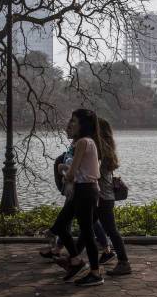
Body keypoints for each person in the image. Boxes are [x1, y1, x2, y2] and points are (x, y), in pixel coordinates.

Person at [40, 118, 111, 263]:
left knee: (87, 226)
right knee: (82, 223)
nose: (68, 129)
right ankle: (72, 255)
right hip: (80, 188)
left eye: (73, 125)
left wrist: (62, 168)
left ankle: (91, 257)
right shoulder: (83, 143)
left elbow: (77, 170)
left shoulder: (87, 143)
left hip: (84, 188)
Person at [51, 109, 104, 286]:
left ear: (83, 124)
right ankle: (75, 261)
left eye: (74, 121)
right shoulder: (89, 142)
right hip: (85, 190)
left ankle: (94, 273)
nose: (70, 124)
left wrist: (61, 169)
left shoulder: (83, 142)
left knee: (87, 232)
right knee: (60, 225)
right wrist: (67, 170)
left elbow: (72, 174)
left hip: (85, 190)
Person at [75, 118, 131, 275]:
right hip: (104, 195)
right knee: (87, 227)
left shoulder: (99, 149)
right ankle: (73, 257)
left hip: (102, 197)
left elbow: (95, 172)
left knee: (110, 230)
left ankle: (124, 262)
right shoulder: (107, 148)